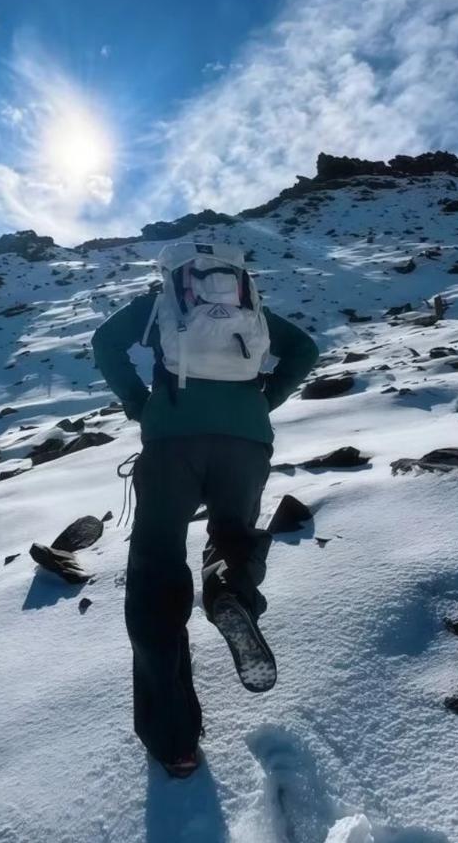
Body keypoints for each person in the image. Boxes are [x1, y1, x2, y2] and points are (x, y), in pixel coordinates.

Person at [91, 241, 319, 778]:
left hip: (172, 443)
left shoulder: (161, 304)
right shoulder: (252, 305)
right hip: (246, 443)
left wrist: (138, 403)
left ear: (171, 272)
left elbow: (105, 344)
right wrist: (263, 400)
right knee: (232, 536)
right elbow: (304, 349)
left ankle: (176, 743)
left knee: (156, 573)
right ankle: (230, 592)